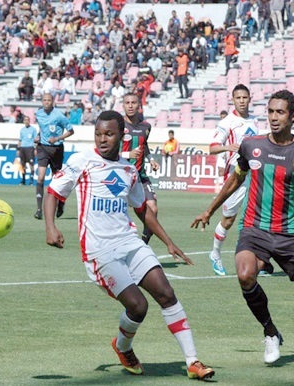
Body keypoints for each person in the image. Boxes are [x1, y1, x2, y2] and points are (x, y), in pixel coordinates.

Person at [43, 110, 215, 381]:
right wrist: (51, 227)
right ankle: (122, 347)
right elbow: (53, 192)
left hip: (129, 242)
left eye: (109, 134)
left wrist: (168, 242)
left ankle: (193, 361)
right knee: (138, 306)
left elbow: (141, 209)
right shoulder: (83, 162)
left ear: (122, 136)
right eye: (98, 134)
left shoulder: (128, 169)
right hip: (99, 252)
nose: (102, 139)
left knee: (166, 293)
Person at [192, 89, 294, 367]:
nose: (274, 118)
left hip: (291, 235)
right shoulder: (251, 145)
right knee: (245, 275)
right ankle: (270, 332)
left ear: (293, 116)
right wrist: (209, 210)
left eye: (280, 112)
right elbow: (236, 178)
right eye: (270, 112)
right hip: (255, 230)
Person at [207, 84, 260, 276]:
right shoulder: (227, 122)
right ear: (233, 99)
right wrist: (228, 148)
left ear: (249, 99)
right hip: (235, 176)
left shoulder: (255, 121)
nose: (242, 101)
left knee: (256, 219)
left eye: (245, 97)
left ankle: (258, 261)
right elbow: (212, 147)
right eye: (238, 98)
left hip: (254, 176)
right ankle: (215, 254)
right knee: (228, 220)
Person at [121, 93, 160, 244]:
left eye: (133, 103)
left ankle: (143, 244)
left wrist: (151, 160)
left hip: (140, 176)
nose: (130, 106)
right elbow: (107, 151)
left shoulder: (146, 127)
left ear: (139, 106)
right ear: (123, 105)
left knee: (153, 209)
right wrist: (127, 154)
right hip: (120, 176)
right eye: (127, 103)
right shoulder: (117, 125)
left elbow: (144, 145)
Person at [34, 92, 74, 220]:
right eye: (44, 100)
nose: (46, 102)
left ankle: (61, 203)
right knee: (40, 178)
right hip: (42, 148)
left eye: (49, 100)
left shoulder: (59, 115)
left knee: (56, 181)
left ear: (53, 102)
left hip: (56, 149)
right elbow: (41, 128)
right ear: (42, 101)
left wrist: (58, 138)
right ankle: (39, 210)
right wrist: (38, 136)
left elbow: (71, 130)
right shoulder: (39, 114)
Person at [17, 116, 37, 186]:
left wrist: (35, 149)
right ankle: (23, 180)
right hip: (23, 148)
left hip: (30, 148)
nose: (26, 121)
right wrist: (18, 149)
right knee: (23, 165)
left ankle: (31, 181)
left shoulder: (33, 129)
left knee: (31, 165)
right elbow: (20, 140)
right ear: (23, 121)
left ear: (29, 121)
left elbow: (36, 140)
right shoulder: (22, 130)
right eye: (25, 120)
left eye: (27, 120)